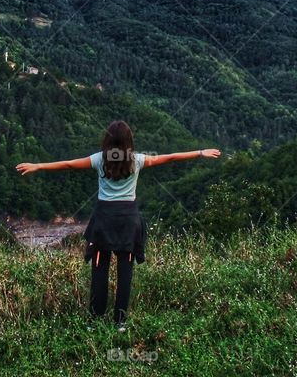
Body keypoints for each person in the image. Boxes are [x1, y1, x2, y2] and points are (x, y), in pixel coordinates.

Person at [16, 120, 221, 331]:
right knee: (125, 272)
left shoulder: (99, 160)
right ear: (129, 142)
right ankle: (120, 321)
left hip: (104, 219)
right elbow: (169, 158)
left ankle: (95, 321)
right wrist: (199, 152)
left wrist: (38, 166)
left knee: (99, 269)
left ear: (107, 141)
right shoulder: (138, 160)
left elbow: (68, 164)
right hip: (128, 221)